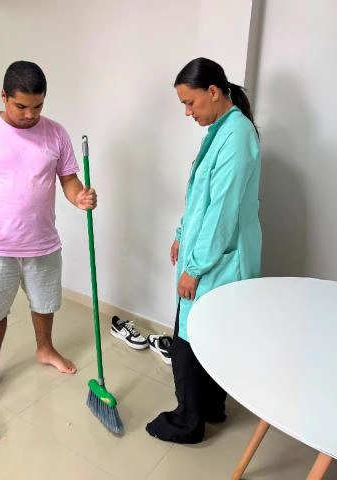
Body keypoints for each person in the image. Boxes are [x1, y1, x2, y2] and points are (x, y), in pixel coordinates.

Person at [0, 61, 97, 406]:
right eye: (21, 106)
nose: (30, 115)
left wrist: (79, 196)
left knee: (45, 304)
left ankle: (45, 349)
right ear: (3, 96)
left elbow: (68, 178)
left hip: (43, 242)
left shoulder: (56, 133)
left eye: (38, 106)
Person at [146, 57, 262, 443]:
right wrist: (181, 233)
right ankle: (212, 408)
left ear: (213, 92)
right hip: (210, 252)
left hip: (218, 260)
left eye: (189, 102)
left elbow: (222, 211)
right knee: (211, 335)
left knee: (190, 341)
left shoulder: (237, 136)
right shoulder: (220, 131)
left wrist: (194, 267)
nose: (187, 112)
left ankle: (188, 422)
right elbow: (200, 196)